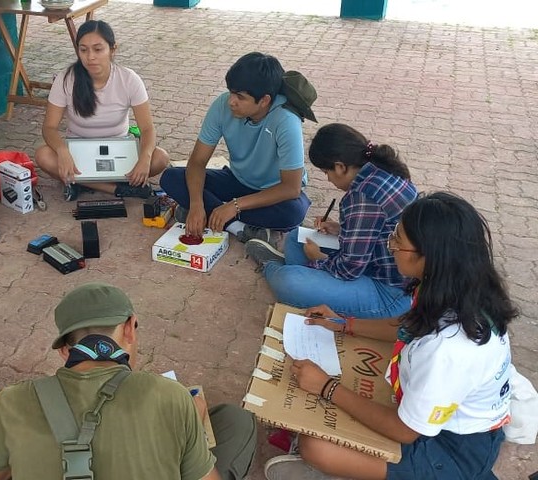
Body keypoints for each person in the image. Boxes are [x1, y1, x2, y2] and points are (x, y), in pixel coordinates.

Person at [264, 192, 516, 480]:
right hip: (433, 417)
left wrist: (326, 388)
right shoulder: (454, 287)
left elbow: (405, 432)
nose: (391, 246)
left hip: (447, 451)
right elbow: (407, 325)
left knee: (315, 447)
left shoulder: (447, 348)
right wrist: (344, 324)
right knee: (348, 386)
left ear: (429, 255)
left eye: (398, 241)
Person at [0, 282, 257, 480]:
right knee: (236, 420)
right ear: (130, 329)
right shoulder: (170, 396)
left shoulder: (10, 402)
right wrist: (187, 422)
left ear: (64, 351)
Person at [247, 123, 417, 319]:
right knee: (296, 237)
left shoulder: (361, 195)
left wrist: (317, 259)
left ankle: (272, 266)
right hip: (377, 266)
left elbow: (349, 269)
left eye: (326, 173)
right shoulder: (384, 170)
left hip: (389, 293)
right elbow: (377, 230)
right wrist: (341, 228)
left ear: (340, 167)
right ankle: (300, 273)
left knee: (289, 281)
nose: (328, 180)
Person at [159, 52, 313, 245]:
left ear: (264, 100)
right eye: (231, 92)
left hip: (274, 191)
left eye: (240, 97)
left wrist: (234, 206)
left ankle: (217, 214)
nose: (231, 101)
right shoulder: (222, 106)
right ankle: (238, 227)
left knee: (293, 213)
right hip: (238, 181)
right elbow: (197, 162)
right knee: (171, 178)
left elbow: (291, 187)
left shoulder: (286, 120)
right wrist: (197, 204)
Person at [35, 20, 169, 201]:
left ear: (113, 49)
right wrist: (62, 151)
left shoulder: (129, 79)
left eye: (98, 49)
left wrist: (144, 158)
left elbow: (147, 129)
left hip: (118, 150)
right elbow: (49, 127)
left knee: (160, 157)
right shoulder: (65, 79)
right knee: (43, 155)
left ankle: (80, 183)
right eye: (83, 50)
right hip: (78, 151)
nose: (90, 57)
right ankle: (117, 189)